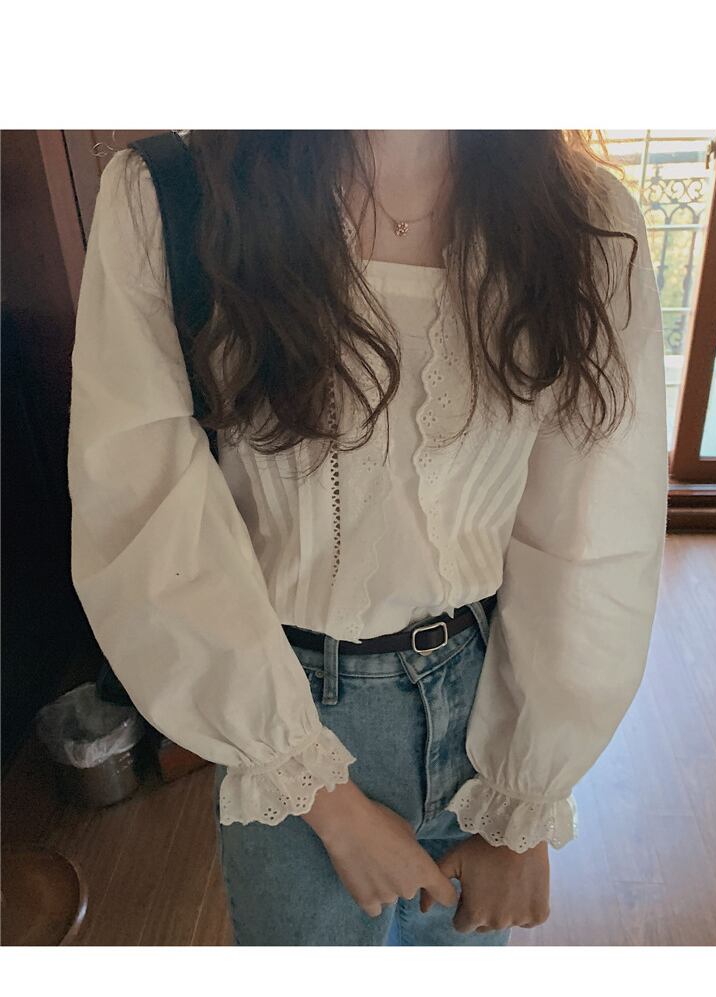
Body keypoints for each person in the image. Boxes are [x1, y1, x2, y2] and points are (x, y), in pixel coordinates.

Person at [68, 132, 668, 947]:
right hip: (279, 703)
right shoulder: (174, 198)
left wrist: (523, 802)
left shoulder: (585, 220)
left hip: (491, 701)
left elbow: (591, 540)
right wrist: (321, 796)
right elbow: (143, 514)